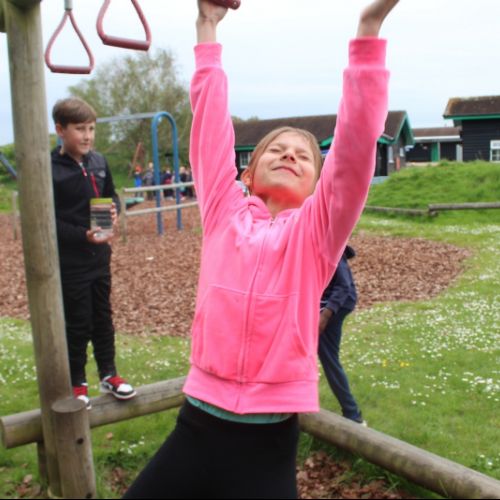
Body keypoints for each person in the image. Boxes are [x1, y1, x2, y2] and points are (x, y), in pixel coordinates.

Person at [124, 0, 397, 497]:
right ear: (247, 173)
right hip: (197, 425)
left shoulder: (315, 234)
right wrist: (207, 27)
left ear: (317, 187)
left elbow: (356, 147)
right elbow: (210, 127)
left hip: (268, 442)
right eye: (276, 149)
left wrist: (369, 28)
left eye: (303, 156)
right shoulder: (222, 212)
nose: (289, 153)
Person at [51, 97, 136, 409]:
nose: (87, 136)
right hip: (70, 261)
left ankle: (109, 374)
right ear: (60, 129)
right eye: (80, 129)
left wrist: (113, 210)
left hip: (100, 257)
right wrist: (81, 236)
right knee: (78, 322)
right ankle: (76, 382)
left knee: (102, 318)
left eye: (91, 129)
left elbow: (111, 194)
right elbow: (46, 220)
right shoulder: (49, 168)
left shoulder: (99, 162)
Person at [319, 245, 365, 425]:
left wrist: (325, 316)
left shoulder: (331, 248)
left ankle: (353, 414)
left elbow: (344, 286)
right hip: (322, 304)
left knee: (328, 357)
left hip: (334, 307)